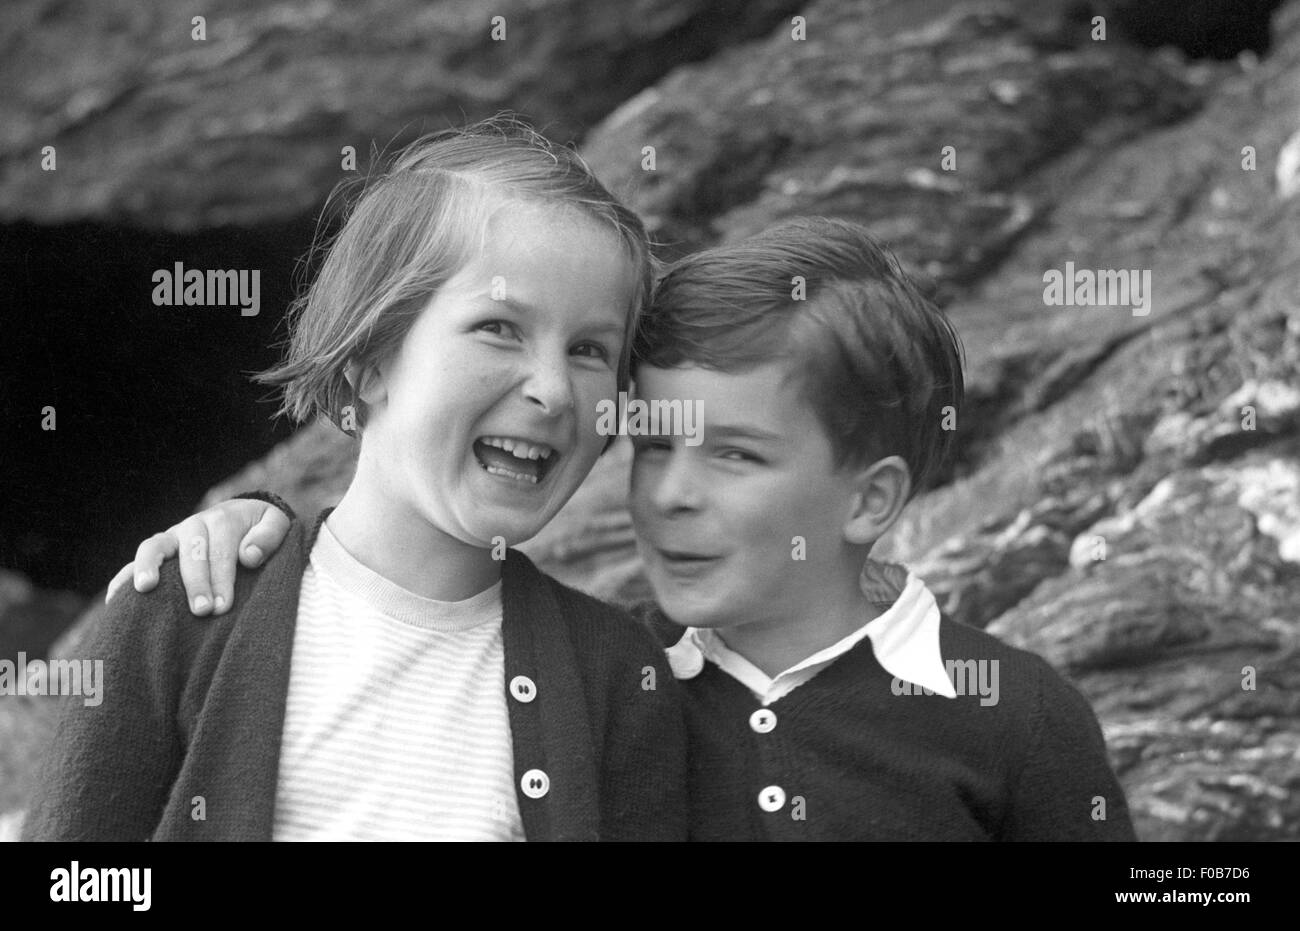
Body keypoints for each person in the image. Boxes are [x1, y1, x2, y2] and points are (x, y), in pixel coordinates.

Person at [109, 217, 1136, 841]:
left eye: (734, 454)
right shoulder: (605, 679)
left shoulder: (1016, 714)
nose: (670, 494)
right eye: (654, 443)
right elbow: (408, 604)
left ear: (868, 499)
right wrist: (261, 532)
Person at [23, 117, 687, 842]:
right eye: (499, 327)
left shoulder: (620, 676)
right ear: (368, 363)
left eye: (591, 349)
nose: (554, 390)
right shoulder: (182, 609)